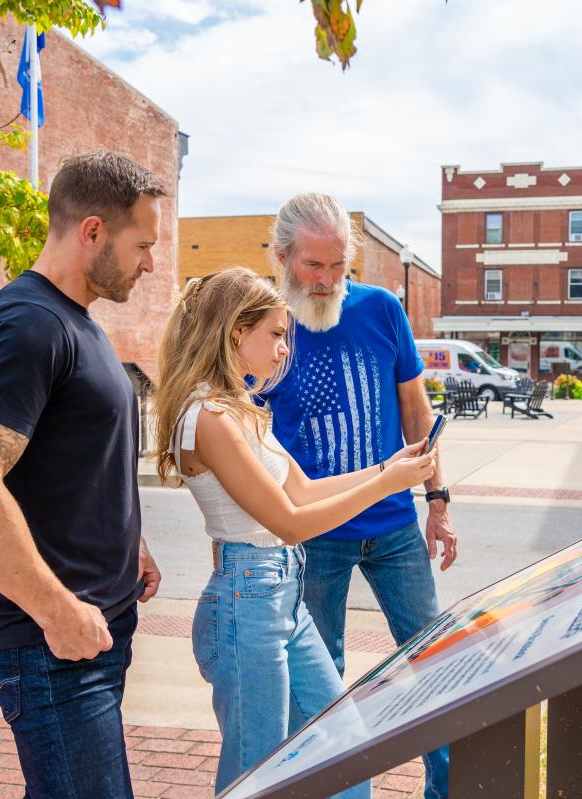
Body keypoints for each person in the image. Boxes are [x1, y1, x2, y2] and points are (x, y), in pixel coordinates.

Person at [0, 151, 167, 798]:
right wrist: (57, 609)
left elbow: (74, 460)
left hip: (92, 627)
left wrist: (130, 547)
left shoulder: (78, 322)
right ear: (91, 230)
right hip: (47, 644)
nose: (151, 262)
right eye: (142, 244)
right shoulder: (25, 323)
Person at [151, 267, 436, 795]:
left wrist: (387, 467)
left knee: (344, 744)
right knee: (256, 777)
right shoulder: (207, 416)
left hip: (283, 599)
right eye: (277, 334)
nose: (285, 348)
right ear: (237, 331)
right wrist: (386, 485)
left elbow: (304, 490)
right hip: (247, 603)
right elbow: (288, 521)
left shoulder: (240, 409)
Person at [265, 192, 457, 799]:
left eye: (338, 267)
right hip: (314, 534)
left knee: (435, 665)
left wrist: (438, 500)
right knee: (321, 686)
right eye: (312, 266)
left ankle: (446, 790)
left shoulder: (381, 310)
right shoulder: (264, 326)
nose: (326, 282)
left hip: (396, 527)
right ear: (282, 257)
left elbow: (414, 410)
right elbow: (248, 439)